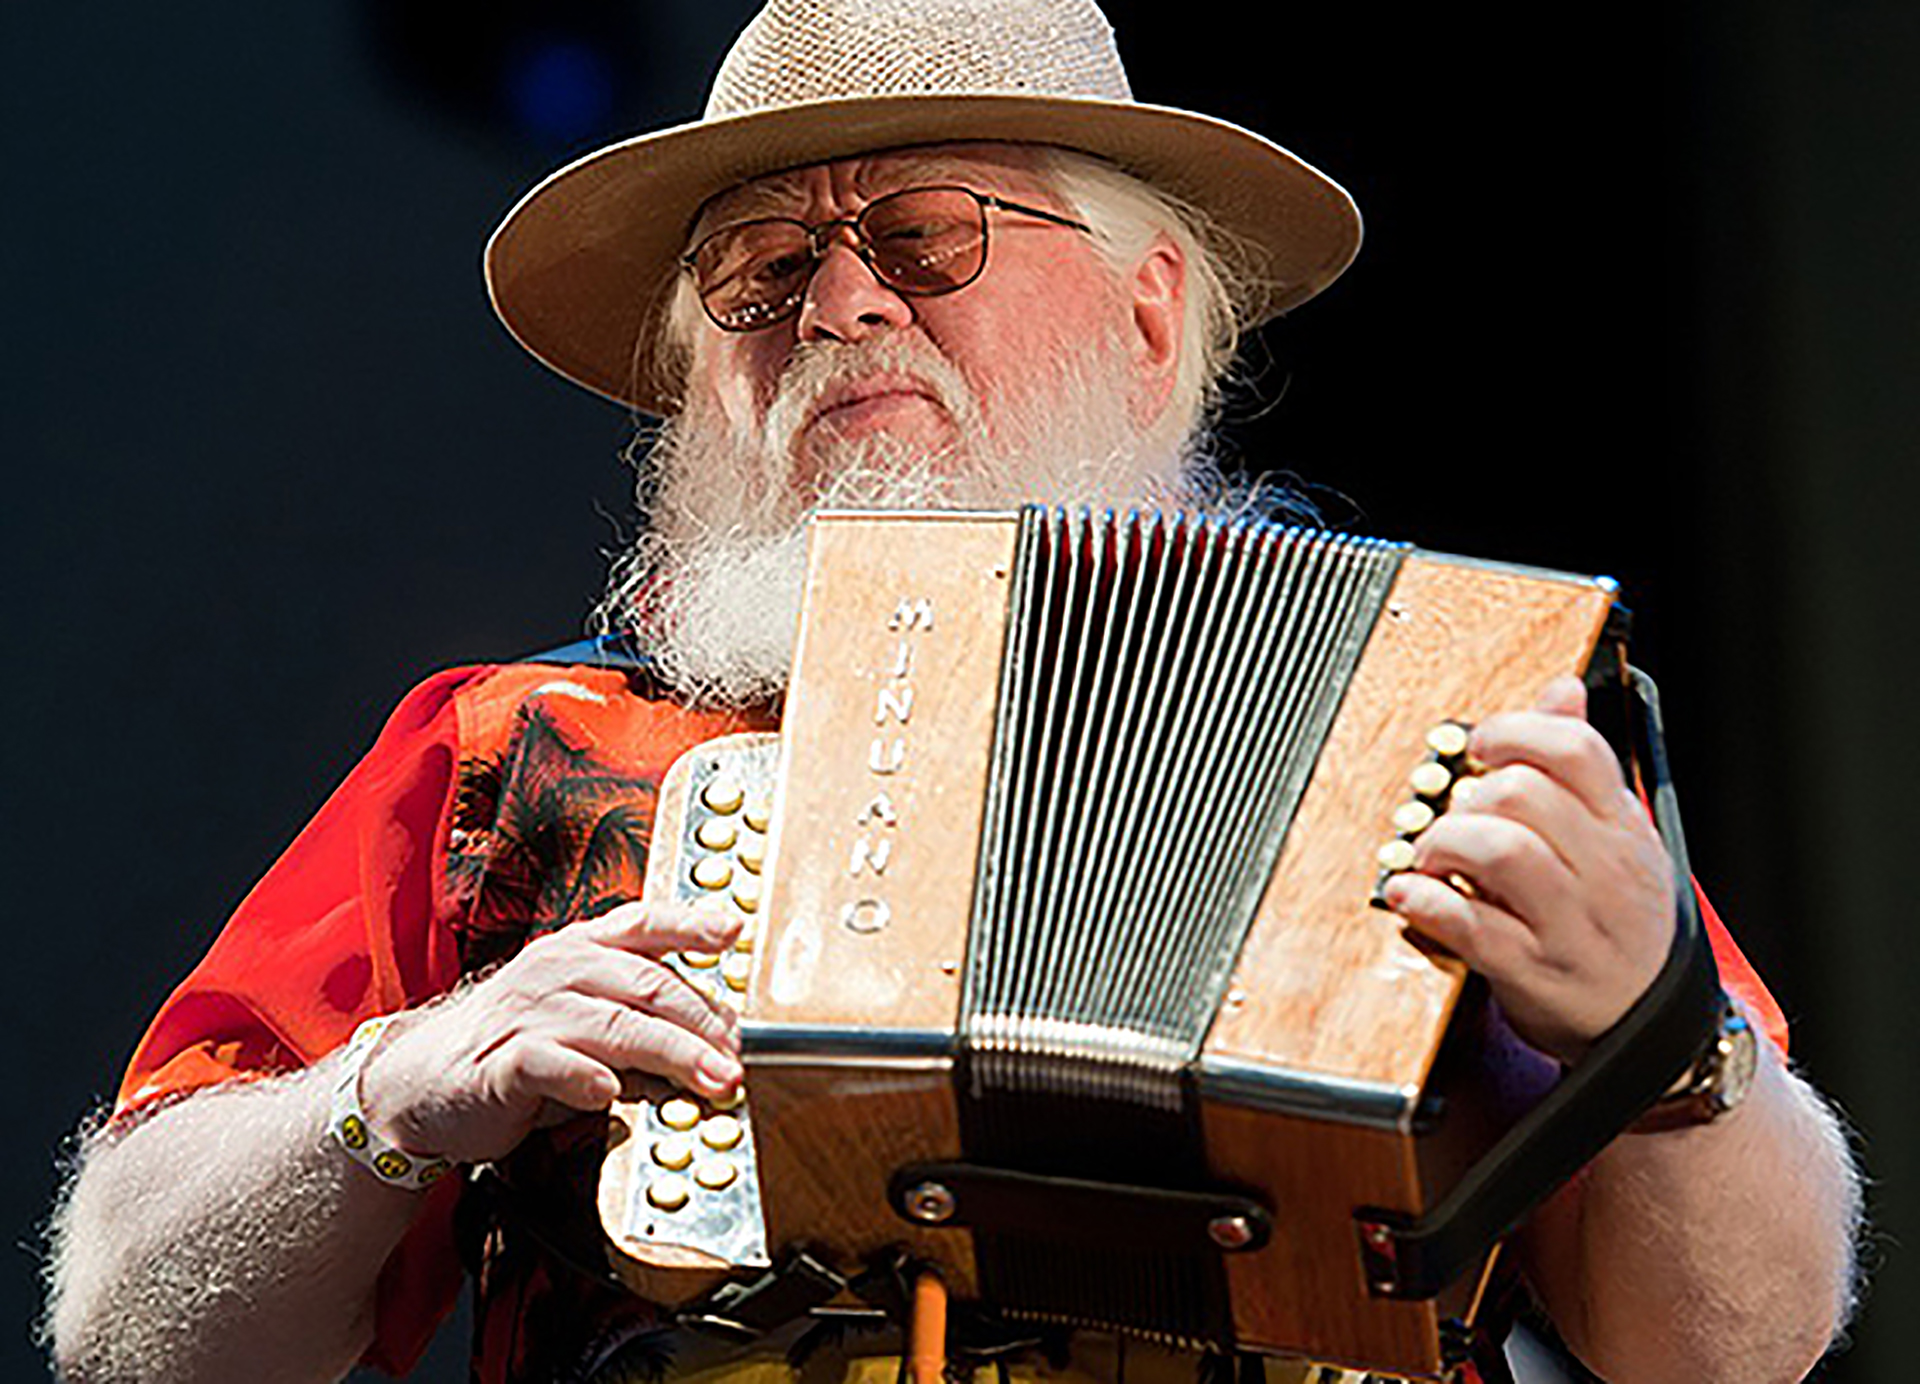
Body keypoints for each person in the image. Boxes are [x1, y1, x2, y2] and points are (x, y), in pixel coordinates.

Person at [44, 0, 1861, 1381]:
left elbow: (1739, 1346)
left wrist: (1661, 1028)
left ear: (1153, 316)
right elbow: (128, 1323)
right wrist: (388, 1091)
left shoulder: (1432, 715)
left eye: (923, 240)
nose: (836, 305)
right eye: (762, 274)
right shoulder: (510, 754)